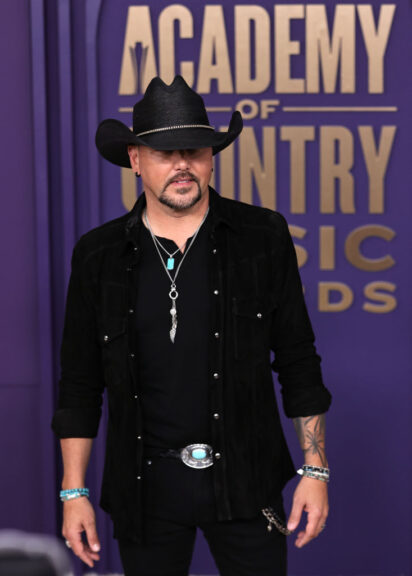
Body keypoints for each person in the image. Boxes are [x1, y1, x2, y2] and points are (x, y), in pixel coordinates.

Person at [52, 75, 332, 576]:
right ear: (135, 160)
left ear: (211, 156)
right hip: (144, 488)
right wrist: (74, 492)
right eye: (164, 152)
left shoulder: (261, 236)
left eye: (195, 150)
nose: (182, 164)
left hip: (247, 482)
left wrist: (315, 469)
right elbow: (79, 383)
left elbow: (298, 360)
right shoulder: (98, 255)